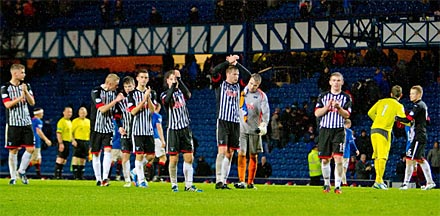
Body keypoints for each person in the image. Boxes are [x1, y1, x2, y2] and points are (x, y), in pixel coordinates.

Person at [211, 55, 251, 189]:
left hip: (235, 122)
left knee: (231, 152)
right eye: (234, 74)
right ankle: (218, 180)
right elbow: (214, 71)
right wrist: (227, 62)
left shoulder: (239, 86)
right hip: (223, 120)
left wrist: (237, 64)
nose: (237, 76)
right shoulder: (219, 84)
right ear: (227, 74)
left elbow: (249, 76)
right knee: (222, 151)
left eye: (237, 74)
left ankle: (224, 179)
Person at [161, 69, 201, 192]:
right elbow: (167, 101)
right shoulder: (164, 94)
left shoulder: (181, 93)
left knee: (189, 158)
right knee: (173, 159)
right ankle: (174, 184)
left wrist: (180, 80)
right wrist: (173, 86)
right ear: (167, 81)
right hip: (173, 130)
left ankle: (188, 185)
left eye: (176, 79)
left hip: (185, 129)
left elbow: (188, 94)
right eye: (172, 79)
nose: (174, 81)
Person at [314, 72, 352, 194]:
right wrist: (327, 107)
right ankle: (326, 184)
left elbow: (347, 115)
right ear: (330, 82)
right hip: (325, 129)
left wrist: (339, 108)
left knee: (338, 159)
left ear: (342, 82)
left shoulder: (346, 97)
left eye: (338, 80)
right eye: (334, 80)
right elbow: (317, 113)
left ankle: (337, 186)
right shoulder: (322, 96)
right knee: (325, 160)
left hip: (339, 130)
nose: (336, 83)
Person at [396, 85, 436, 190]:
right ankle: (406, 183)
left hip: (419, 136)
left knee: (418, 159)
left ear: (418, 95)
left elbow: (408, 119)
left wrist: (396, 118)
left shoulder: (418, 105)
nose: (410, 95)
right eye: (410, 93)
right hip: (418, 136)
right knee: (412, 159)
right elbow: (428, 120)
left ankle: (429, 182)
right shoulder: (423, 105)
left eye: (412, 93)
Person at [1, 63, 35, 185]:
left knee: (31, 149)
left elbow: (32, 103)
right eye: (22, 72)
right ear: (15, 73)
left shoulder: (26, 86)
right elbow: (7, 105)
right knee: (13, 150)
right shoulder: (5, 88)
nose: (24, 74)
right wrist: (20, 97)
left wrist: (25, 92)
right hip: (13, 123)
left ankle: (21, 170)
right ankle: (13, 177)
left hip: (26, 122)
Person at [367, 85, 406, 190]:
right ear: (401, 95)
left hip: (373, 130)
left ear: (391, 94)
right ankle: (378, 181)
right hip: (384, 131)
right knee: (383, 157)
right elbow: (403, 119)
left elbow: (370, 112)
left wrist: (377, 120)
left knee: (376, 156)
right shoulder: (398, 105)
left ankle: (378, 180)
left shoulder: (381, 101)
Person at [235, 73, 270, 189]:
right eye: (250, 83)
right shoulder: (242, 93)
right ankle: (241, 181)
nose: (251, 87)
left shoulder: (262, 96)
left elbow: (265, 113)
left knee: (253, 156)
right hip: (242, 129)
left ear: (258, 85)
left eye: (254, 85)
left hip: (255, 130)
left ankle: (250, 182)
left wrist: (263, 126)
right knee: (241, 154)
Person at [90, 73, 124, 186]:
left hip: (108, 128)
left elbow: (117, 113)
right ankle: (98, 179)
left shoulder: (115, 94)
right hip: (96, 127)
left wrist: (120, 126)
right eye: (116, 85)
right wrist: (116, 101)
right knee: (96, 154)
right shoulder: (96, 91)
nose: (117, 87)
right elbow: (102, 109)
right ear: (109, 83)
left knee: (108, 151)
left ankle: (105, 178)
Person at [128, 69, 156, 188]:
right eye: (142, 77)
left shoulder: (151, 93)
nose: (144, 79)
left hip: (148, 130)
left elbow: (153, 110)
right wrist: (143, 101)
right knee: (139, 155)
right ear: (137, 79)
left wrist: (148, 98)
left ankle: (134, 171)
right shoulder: (131, 94)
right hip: (137, 130)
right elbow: (133, 111)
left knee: (151, 156)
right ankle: (142, 180)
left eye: (146, 77)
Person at [114, 76, 135, 187]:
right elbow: (117, 116)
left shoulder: (139, 97)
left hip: (139, 131)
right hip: (126, 132)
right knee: (125, 156)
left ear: (134, 86)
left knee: (148, 156)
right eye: (126, 87)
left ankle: (136, 172)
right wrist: (119, 127)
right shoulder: (121, 100)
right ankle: (127, 180)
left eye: (130, 86)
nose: (128, 88)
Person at [29, 107, 52, 179]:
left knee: (38, 159)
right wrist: (46, 140)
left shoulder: (32, 120)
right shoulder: (38, 121)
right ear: (38, 113)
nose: (43, 114)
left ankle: (38, 176)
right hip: (36, 141)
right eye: (42, 113)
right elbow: (38, 131)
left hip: (32, 141)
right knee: (33, 160)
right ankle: (20, 171)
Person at [71, 107, 90, 180]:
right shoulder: (75, 121)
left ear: (86, 113)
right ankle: (75, 176)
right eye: (81, 113)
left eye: (84, 112)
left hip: (86, 141)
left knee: (83, 159)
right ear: (78, 113)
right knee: (76, 157)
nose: (83, 114)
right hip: (78, 141)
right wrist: (73, 140)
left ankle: (81, 175)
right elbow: (71, 132)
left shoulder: (89, 121)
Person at [54, 106, 73, 179]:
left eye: (70, 112)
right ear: (63, 112)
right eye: (68, 112)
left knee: (64, 159)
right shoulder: (61, 121)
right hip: (63, 141)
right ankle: (57, 175)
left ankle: (60, 174)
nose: (69, 113)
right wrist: (61, 143)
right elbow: (58, 133)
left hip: (67, 142)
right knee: (60, 158)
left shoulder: (69, 122)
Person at [150, 103, 167, 182]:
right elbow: (159, 128)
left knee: (151, 158)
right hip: (156, 138)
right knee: (163, 157)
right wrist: (162, 140)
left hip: (148, 137)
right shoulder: (157, 116)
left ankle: (148, 176)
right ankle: (158, 176)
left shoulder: (147, 115)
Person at [342, 119, 359, 186]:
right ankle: (344, 183)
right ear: (349, 124)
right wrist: (356, 150)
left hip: (338, 152)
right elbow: (352, 142)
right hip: (345, 153)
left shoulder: (339, 130)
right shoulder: (349, 131)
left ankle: (340, 182)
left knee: (339, 168)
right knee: (344, 169)